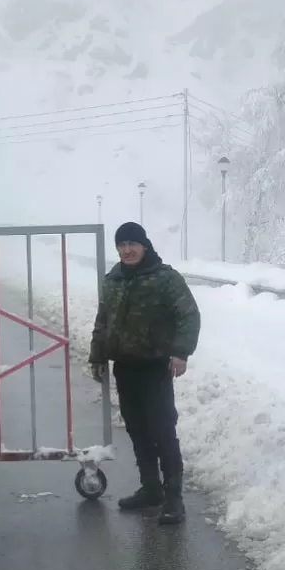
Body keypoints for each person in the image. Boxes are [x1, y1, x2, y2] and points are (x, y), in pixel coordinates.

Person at [88, 221, 200, 524]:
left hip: (155, 367)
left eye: (132, 244)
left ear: (144, 245)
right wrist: (98, 356)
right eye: (121, 245)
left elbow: (188, 314)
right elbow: (103, 320)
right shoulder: (113, 280)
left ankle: (174, 498)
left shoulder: (165, 279)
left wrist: (180, 352)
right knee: (137, 430)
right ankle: (151, 489)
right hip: (125, 367)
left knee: (163, 431)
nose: (126, 250)